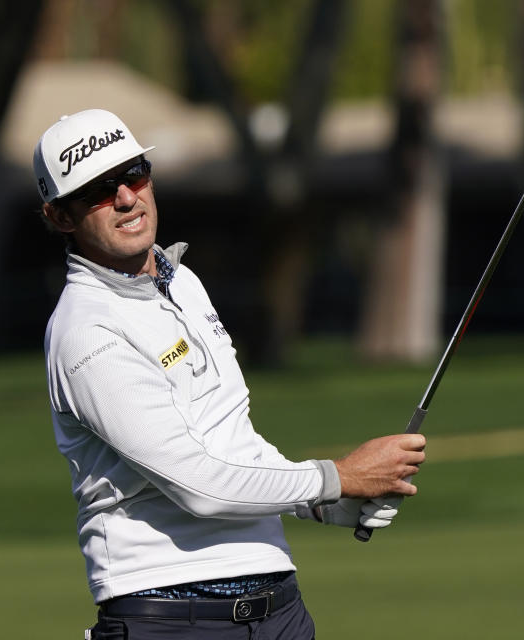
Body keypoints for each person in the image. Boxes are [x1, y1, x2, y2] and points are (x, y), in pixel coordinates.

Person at [34, 109, 426, 639]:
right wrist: (340, 476)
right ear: (60, 217)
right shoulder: (86, 330)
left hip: (279, 610)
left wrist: (325, 504)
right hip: (170, 617)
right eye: (99, 191)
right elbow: (199, 485)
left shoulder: (183, 282)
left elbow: (233, 440)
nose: (127, 197)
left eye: (134, 174)